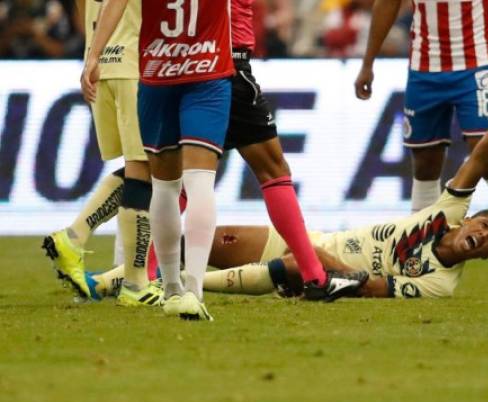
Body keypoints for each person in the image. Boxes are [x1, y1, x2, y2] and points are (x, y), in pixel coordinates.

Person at [88, 74, 488, 301]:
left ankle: (167, 291)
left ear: (485, 255)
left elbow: (371, 287)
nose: (486, 233)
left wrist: (316, 268)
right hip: (316, 245)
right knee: (202, 241)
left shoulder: (440, 284)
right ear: (472, 217)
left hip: (324, 271)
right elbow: (478, 157)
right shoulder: (446, 214)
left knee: (268, 263)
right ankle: (111, 282)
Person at [79, 0, 368, 305]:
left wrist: (95, 55)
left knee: (177, 182)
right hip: (221, 64)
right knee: (271, 169)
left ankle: (137, 275)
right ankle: (314, 277)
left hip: (173, 65)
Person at [354, 0, 488, 290]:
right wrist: (368, 63)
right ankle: (415, 253)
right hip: (423, 70)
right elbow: (387, 4)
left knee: (487, 156)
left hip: (475, 66)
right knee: (425, 164)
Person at [80, 0, 237, 321]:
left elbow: (115, 3)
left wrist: (93, 56)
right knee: (199, 182)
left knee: (165, 187)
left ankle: (170, 289)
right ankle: (193, 290)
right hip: (207, 73)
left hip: (157, 75)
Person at [42, 0, 163, 307]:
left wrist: (92, 55)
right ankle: (134, 281)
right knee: (146, 168)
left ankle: (76, 239)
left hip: (101, 70)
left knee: (141, 167)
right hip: (134, 63)